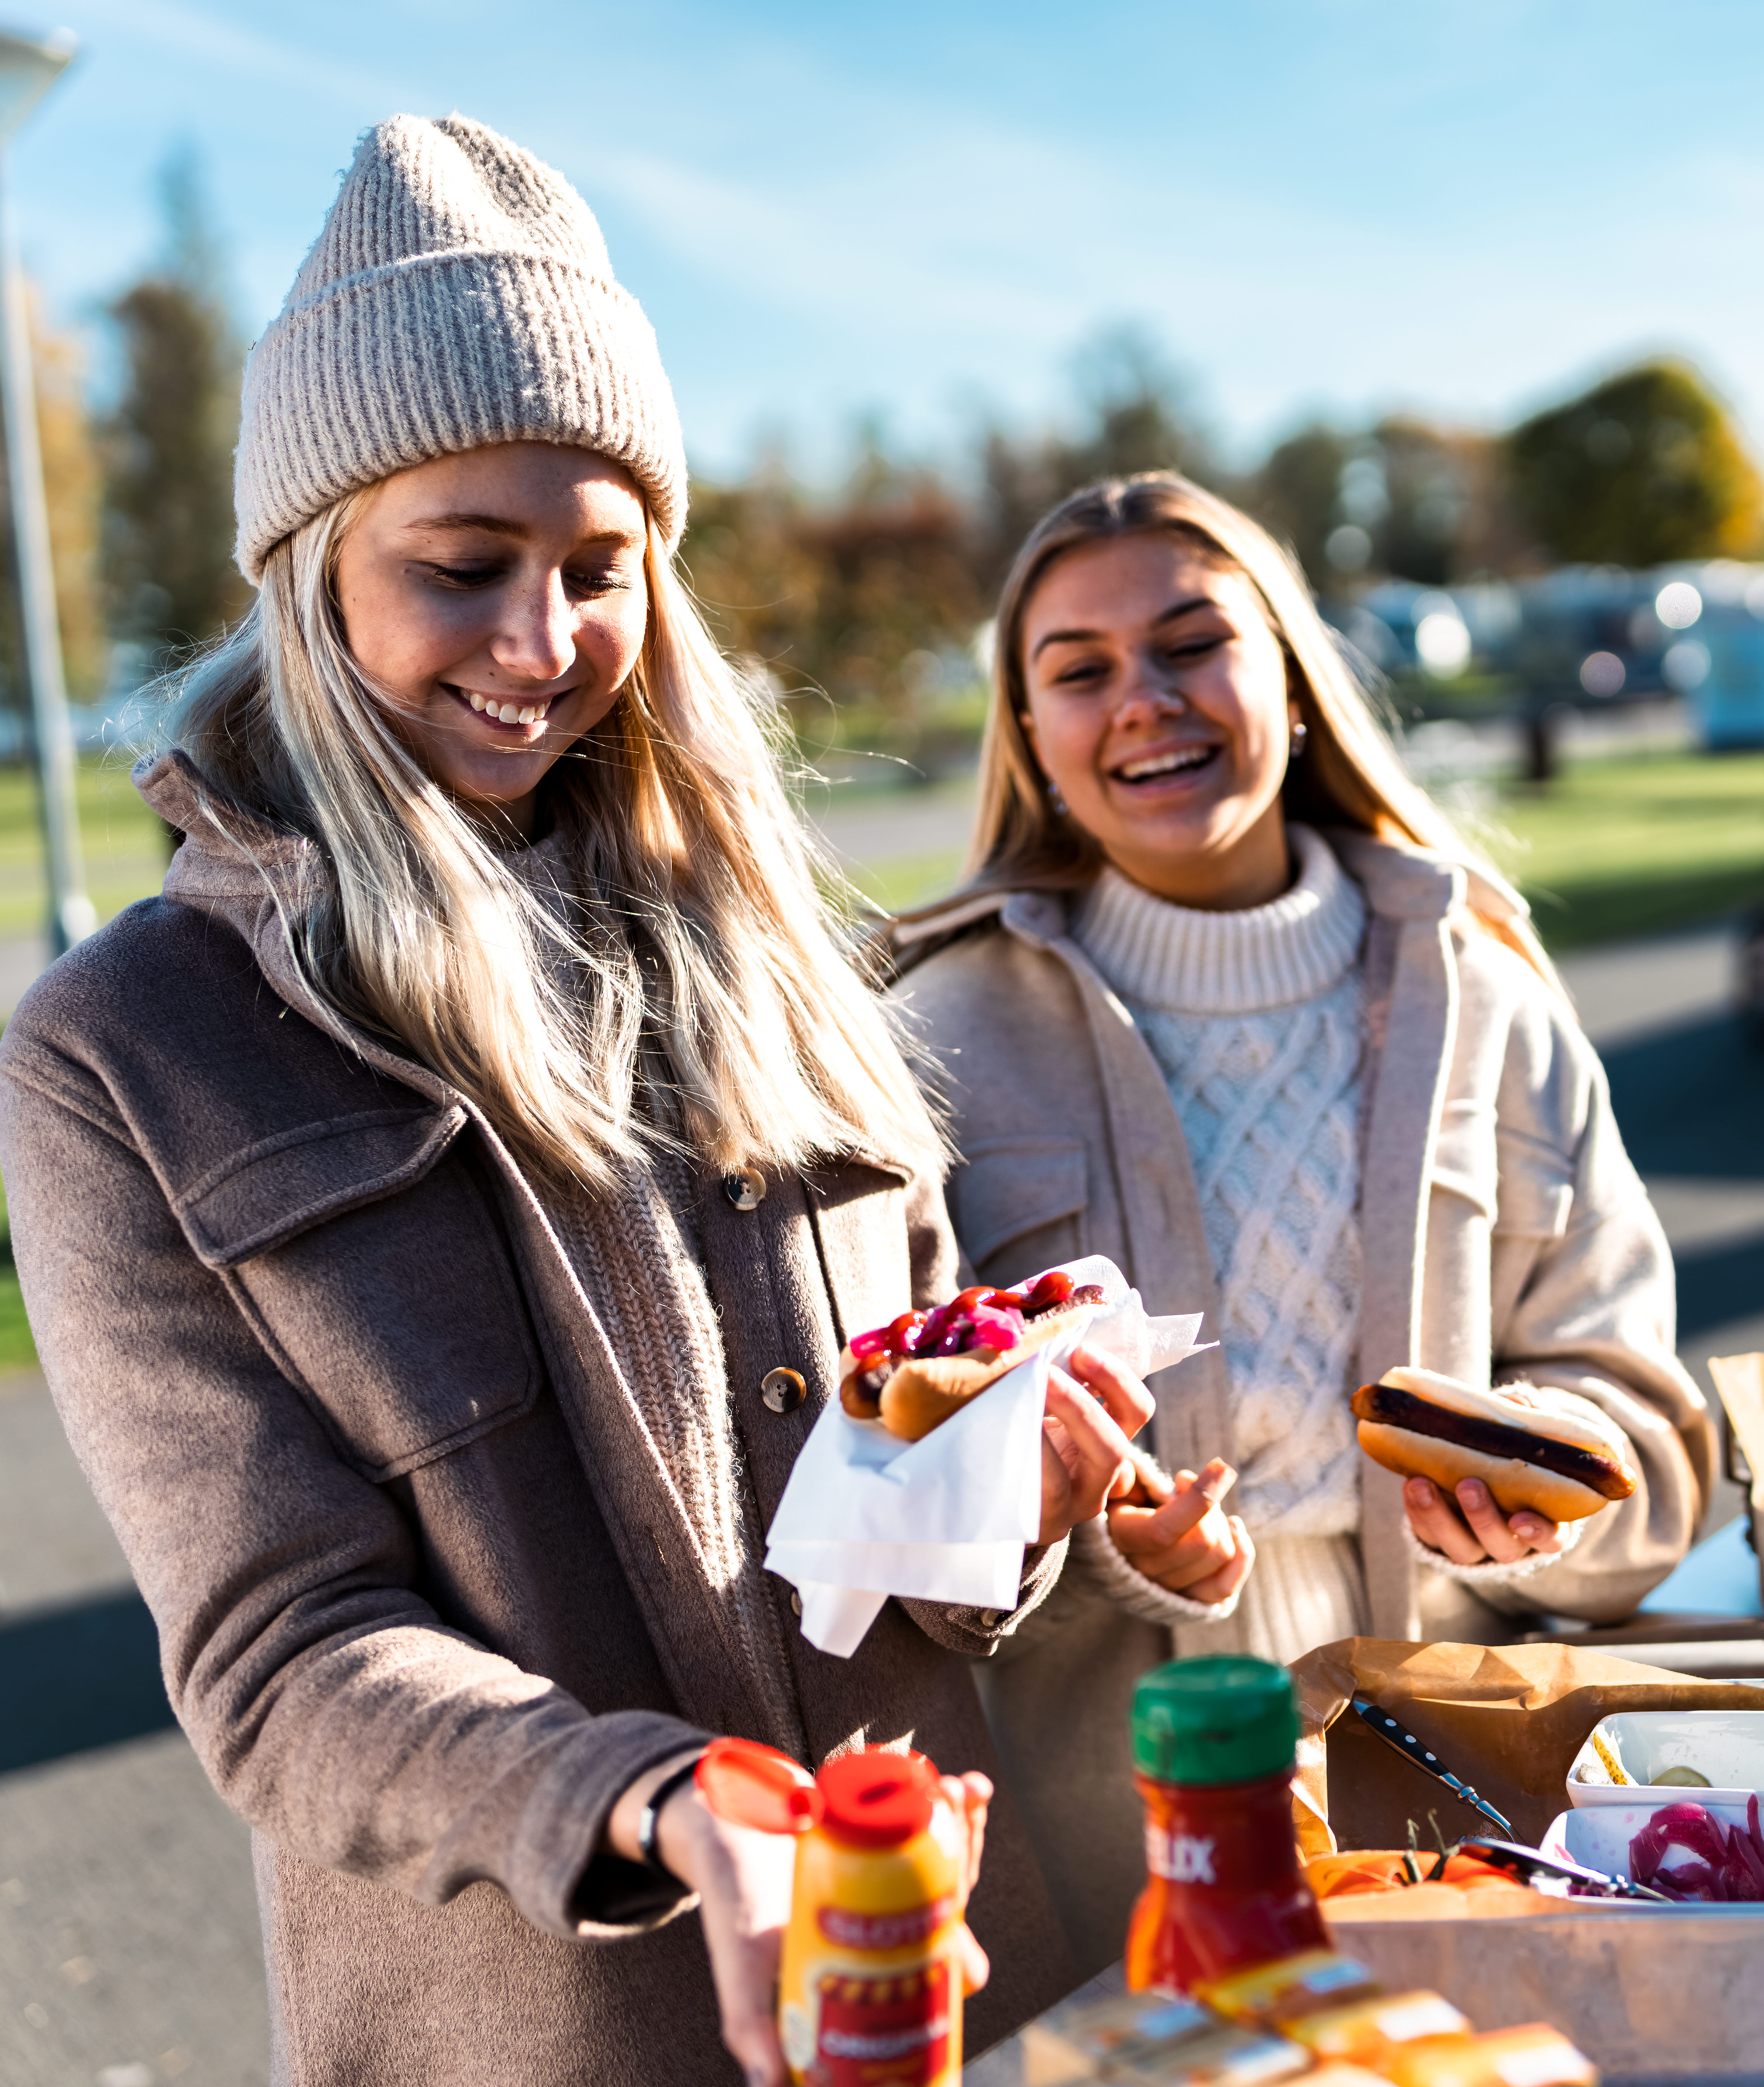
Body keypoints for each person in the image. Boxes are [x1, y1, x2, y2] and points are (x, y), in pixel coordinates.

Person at [0, 116, 1155, 2086]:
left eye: (600, 571)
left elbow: (917, 1518)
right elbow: (286, 1666)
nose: (542, 649)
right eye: (464, 568)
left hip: (962, 1970)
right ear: (308, 571)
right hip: (553, 2037)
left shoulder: (780, 951)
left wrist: (1015, 1502)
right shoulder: (126, 1050)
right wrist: (659, 1804)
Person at [890, 473, 1714, 1967]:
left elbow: (1648, 1427)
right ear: (1028, 735)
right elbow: (881, 1483)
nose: (1144, 698)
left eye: (1196, 643)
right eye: (1079, 670)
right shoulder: (927, 1033)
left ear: (1294, 671)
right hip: (1099, 1827)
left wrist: (1539, 1493)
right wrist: (1106, 1534)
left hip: (1459, 1801)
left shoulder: (1488, 997)